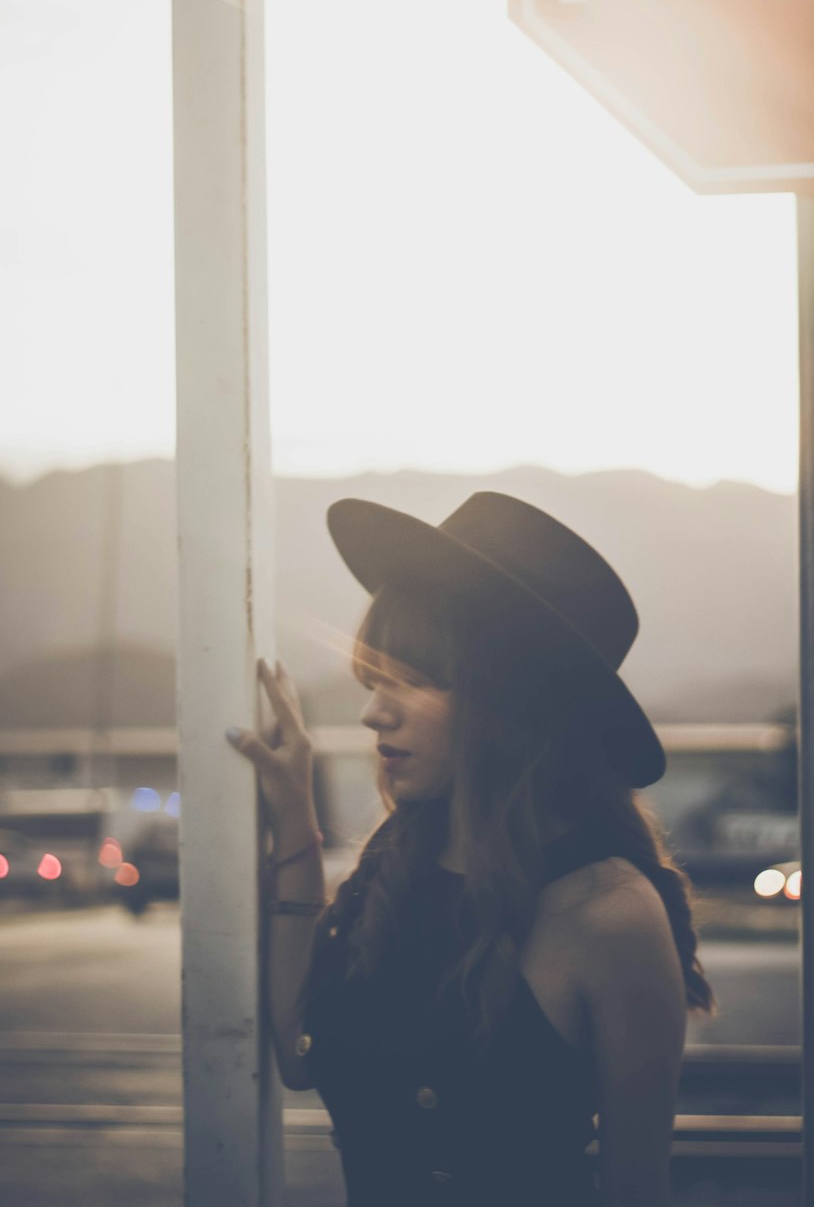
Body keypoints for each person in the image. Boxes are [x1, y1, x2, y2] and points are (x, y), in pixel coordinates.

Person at [227, 490, 717, 1206]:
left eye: (413, 681)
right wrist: (297, 824)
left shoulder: (610, 914)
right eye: (372, 680)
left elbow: (636, 1187)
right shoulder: (396, 867)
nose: (372, 712)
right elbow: (301, 1054)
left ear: (513, 701)